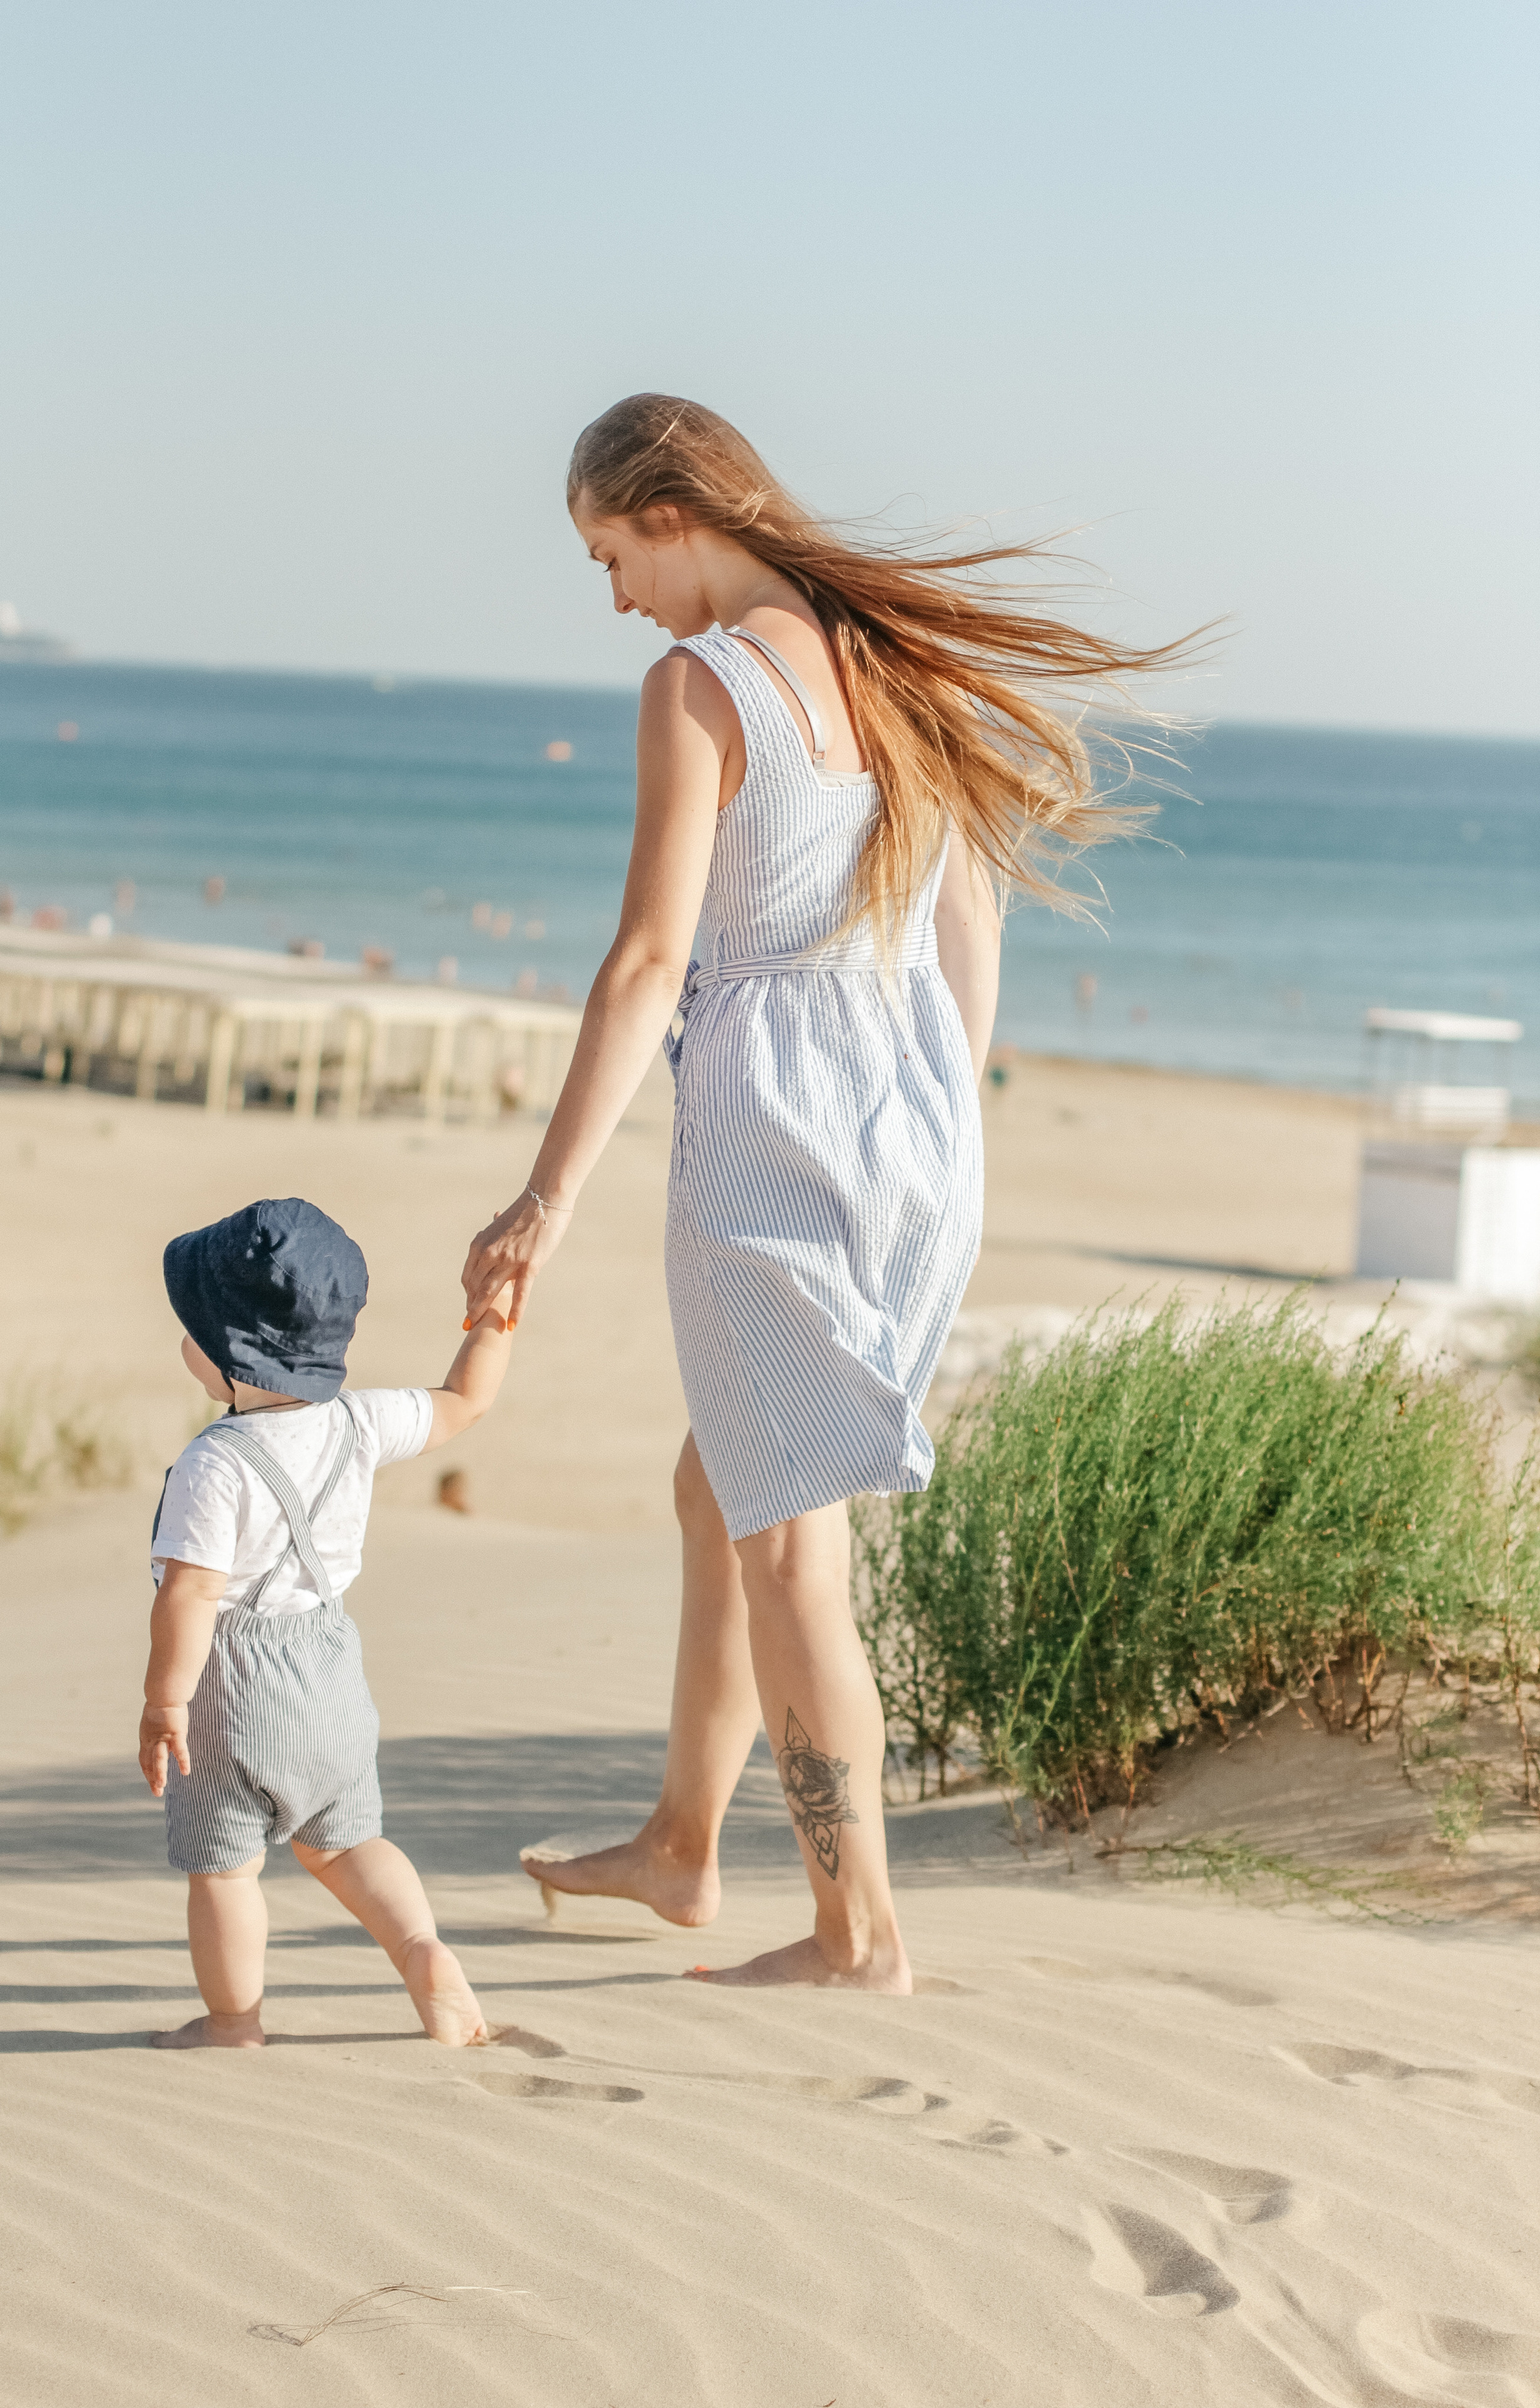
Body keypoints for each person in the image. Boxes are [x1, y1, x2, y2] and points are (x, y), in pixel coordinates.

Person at [459, 394, 1188, 1990]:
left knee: (790, 1547)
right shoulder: (893, 663)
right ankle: (679, 1843)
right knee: (718, 1488)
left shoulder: (699, 687)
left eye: (606, 555)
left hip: (767, 1133)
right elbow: (971, 936)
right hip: (919, 1137)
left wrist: (544, 1199)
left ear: (673, 516)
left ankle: (857, 1936)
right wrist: (927, 1118)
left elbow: (649, 961)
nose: (611, 596)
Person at [140, 1196, 512, 2049]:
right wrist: (494, 1316)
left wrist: (166, 1701)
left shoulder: (214, 1464)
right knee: (349, 1844)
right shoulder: (361, 1421)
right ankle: (422, 1952)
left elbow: (191, 1595)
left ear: (231, 1353)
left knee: (227, 1872)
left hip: (231, 1692)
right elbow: (465, 1400)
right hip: (332, 1675)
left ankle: (233, 2022)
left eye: (194, 1323)